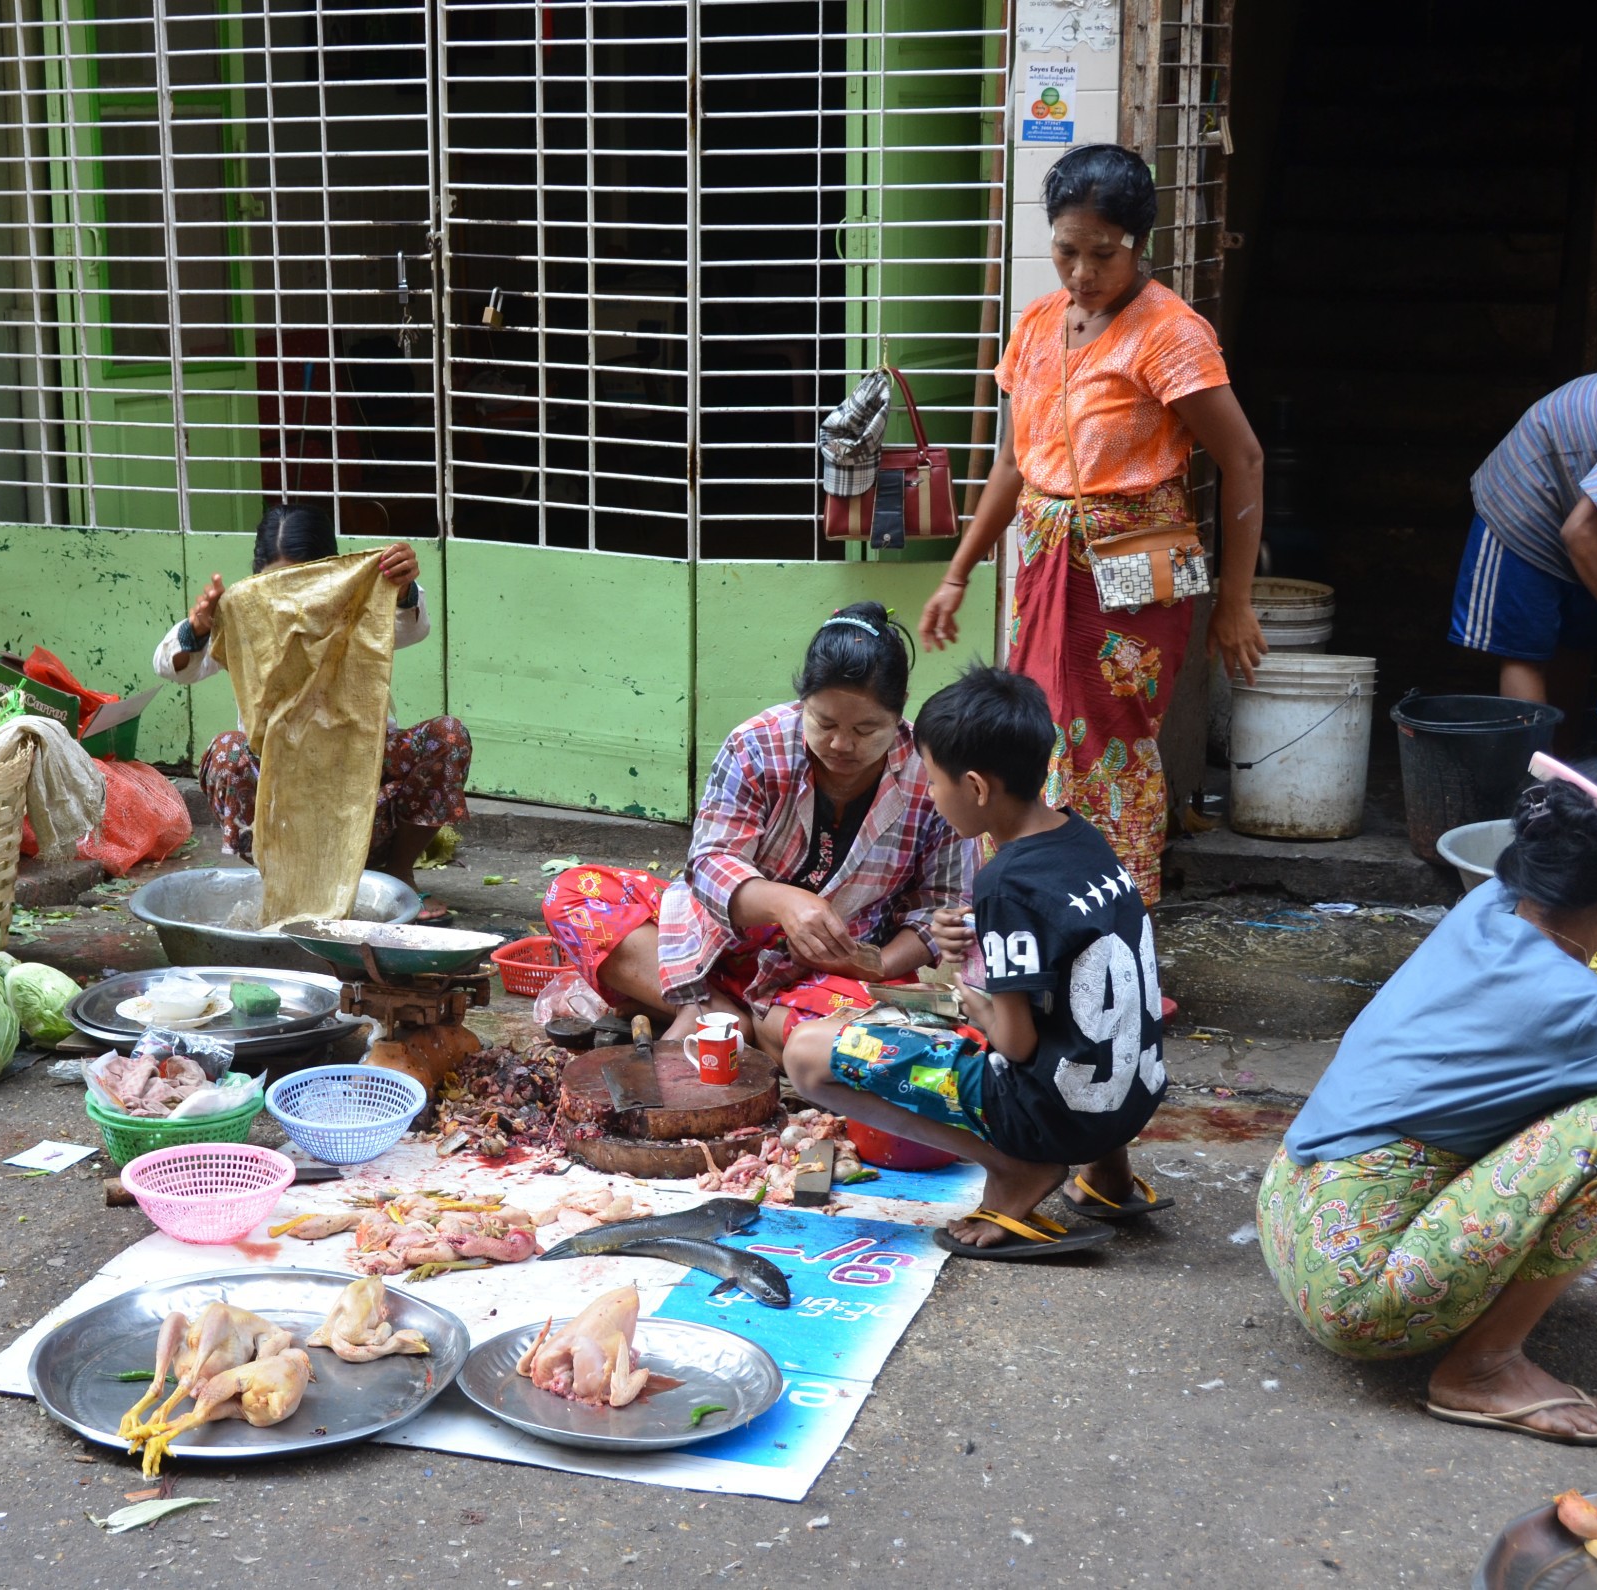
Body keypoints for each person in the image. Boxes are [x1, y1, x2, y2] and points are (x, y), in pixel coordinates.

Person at [1258, 756, 1597, 1445]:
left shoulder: (1489, 907)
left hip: (1294, 1213)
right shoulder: (1586, 1012)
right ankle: (1482, 1368)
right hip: (1359, 1292)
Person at [919, 142, 1267, 904]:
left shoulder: (1169, 333)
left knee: (1108, 747)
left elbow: (1242, 460)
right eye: (1066, 251)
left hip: (1128, 575)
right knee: (1030, 739)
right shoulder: (1039, 324)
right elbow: (1013, 464)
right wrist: (957, 572)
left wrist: (1235, 601)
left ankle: (1115, 927)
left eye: (1102, 255)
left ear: (1138, 243)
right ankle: (1026, 910)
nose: (1081, 274)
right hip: (1046, 566)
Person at [782, 666, 1168, 1259]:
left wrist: (971, 998)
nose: (932, 798)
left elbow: (1014, 1045)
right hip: (1132, 1100)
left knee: (806, 1055)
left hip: (1056, 1114)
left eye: (934, 784)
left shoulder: (1004, 883)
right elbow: (1061, 940)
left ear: (977, 789)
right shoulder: (1080, 838)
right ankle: (1108, 1177)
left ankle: (1014, 1168)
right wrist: (978, 931)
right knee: (1089, 1031)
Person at [539, 602, 970, 1047]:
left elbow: (942, 905)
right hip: (712, 945)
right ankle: (716, 1011)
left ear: (898, 715)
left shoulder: (930, 775)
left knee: (880, 1039)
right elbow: (709, 862)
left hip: (825, 975)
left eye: (866, 730)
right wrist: (784, 903)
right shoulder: (757, 744)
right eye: (823, 722)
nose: (842, 744)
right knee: (571, 893)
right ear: (803, 701)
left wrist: (874, 963)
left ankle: (722, 1017)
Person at [153, 503, 469, 916]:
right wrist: (199, 627)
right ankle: (286, 883)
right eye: (279, 584)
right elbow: (171, 666)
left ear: (335, 572)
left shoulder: (356, 601)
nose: (292, 601)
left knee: (448, 736)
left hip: (365, 781)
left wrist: (403, 585)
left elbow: (413, 626)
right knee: (226, 753)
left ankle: (398, 877)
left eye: (305, 583)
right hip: (281, 792)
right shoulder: (246, 612)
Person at [1452, 371, 1597, 705]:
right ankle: (1532, 758)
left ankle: (1566, 759)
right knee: (1526, 649)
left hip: (1593, 509)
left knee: (1578, 642)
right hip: (1533, 486)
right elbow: (1580, 531)